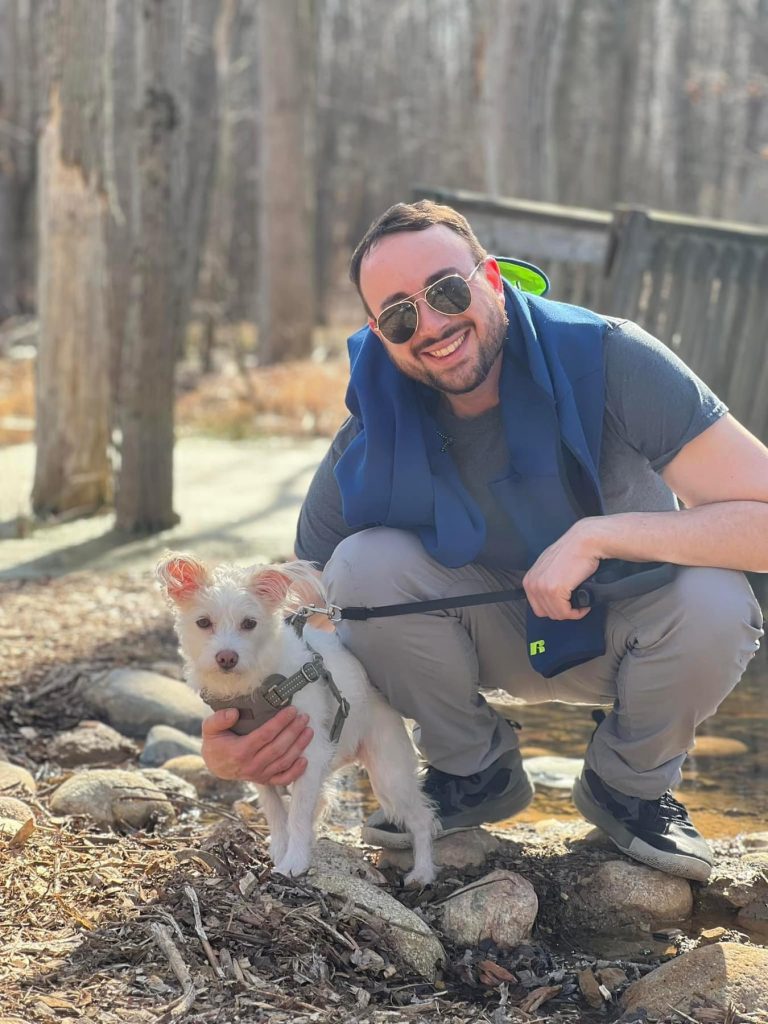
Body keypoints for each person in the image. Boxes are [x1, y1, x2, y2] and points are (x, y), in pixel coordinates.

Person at [202, 200, 767, 881]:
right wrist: (235, 735)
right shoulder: (374, 416)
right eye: (400, 316)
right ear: (380, 335)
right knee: (357, 569)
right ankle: (473, 770)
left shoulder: (611, 358)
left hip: (628, 626)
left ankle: (631, 787)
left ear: (492, 278)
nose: (432, 325)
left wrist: (600, 535)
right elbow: (300, 620)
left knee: (717, 596)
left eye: (446, 290)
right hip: (476, 640)